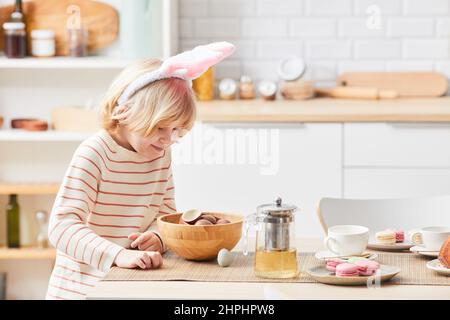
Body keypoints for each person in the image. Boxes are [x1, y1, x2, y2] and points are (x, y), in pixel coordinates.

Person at [45, 42, 235, 299]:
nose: (169, 139)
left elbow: (166, 215)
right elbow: (62, 227)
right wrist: (118, 254)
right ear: (126, 112)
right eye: (160, 128)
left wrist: (157, 238)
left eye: (177, 130)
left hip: (127, 283)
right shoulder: (96, 153)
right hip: (82, 290)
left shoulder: (159, 154)